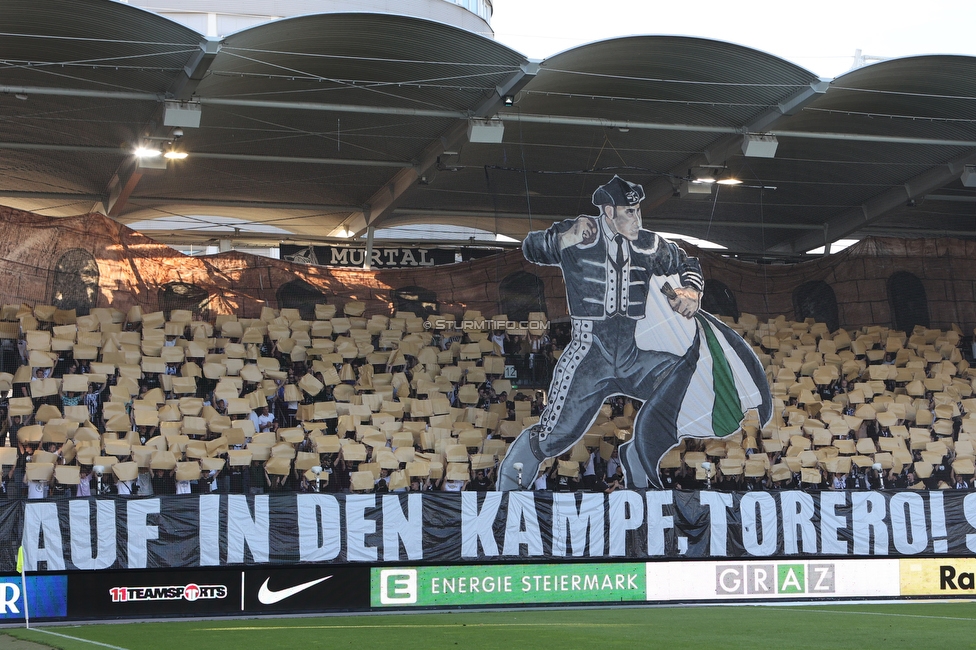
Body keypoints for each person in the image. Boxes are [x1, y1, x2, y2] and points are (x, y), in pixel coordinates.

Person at [498, 176, 771, 490]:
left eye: (638, 210)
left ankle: (641, 454)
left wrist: (692, 291)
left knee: (682, 374)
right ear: (609, 211)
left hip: (631, 355)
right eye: (630, 212)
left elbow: (688, 263)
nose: (637, 219)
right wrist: (564, 238)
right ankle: (506, 491)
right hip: (589, 356)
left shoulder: (649, 243)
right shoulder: (581, 233)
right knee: (557, 437)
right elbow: (532, 248)